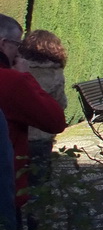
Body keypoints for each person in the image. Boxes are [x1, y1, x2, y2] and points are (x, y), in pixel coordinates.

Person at [0, 15, 66, 211]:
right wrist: (25, 77)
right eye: (17, 45)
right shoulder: (13, 80)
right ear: (4, 44)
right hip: (7, 185)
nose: (19, 52)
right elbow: (55, 120)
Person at [17, 29, 67, 187]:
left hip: (17, 133)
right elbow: (61, 104)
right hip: (40, 135)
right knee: (39, 183)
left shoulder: (17, 68)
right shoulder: (55, 73)